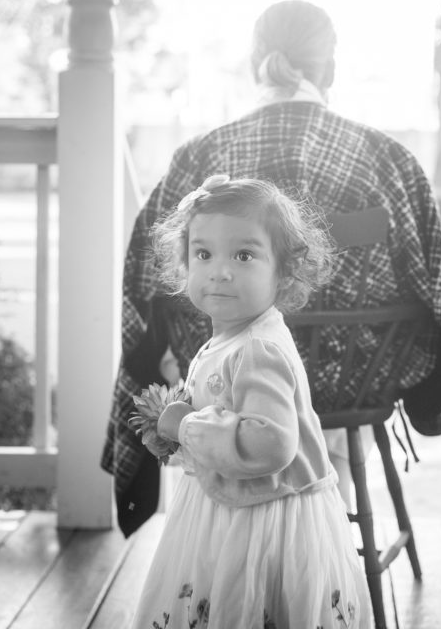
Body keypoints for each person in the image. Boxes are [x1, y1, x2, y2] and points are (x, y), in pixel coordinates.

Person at [102, 0, 441, 535]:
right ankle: (324, 524)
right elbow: (439, 296)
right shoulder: (387, 158)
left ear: (257, 63)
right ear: (331, 69)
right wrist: (426, 396)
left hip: (226, 383)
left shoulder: (200, 155)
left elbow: (143, 282)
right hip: (356, 383)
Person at [129, 175, 372, 628]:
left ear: (283, 271)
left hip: (266, 519)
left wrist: (185, 427)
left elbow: (271, 445)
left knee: (250, 603)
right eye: (203, 254)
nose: (220, 271)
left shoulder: (259, 349)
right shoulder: (234, 335)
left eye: (244, 255)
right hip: (232, 504)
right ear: (185, 265)